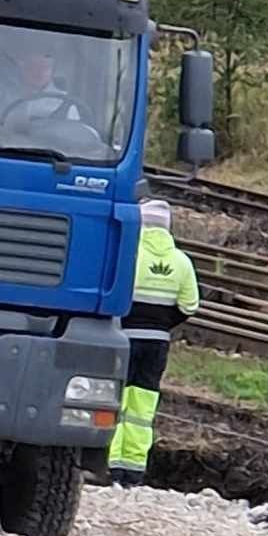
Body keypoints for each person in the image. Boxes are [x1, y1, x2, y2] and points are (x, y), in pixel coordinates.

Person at [108, 199, 200, 488]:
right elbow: (190, 305)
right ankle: (133, 468)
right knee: (142, 407)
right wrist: (161, 326)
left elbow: (116, 294)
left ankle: (108, 463)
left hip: (124, 339)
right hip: (157, 343)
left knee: (115, 399)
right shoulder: (182, 262)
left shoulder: (131, 254)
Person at [0, 46, 81, 133]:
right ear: (21, 67)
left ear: (53, 70)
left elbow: (73, 144)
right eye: (33, 66)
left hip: (48, 158)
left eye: (45, 67)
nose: (39, 72)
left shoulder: (65, 103)